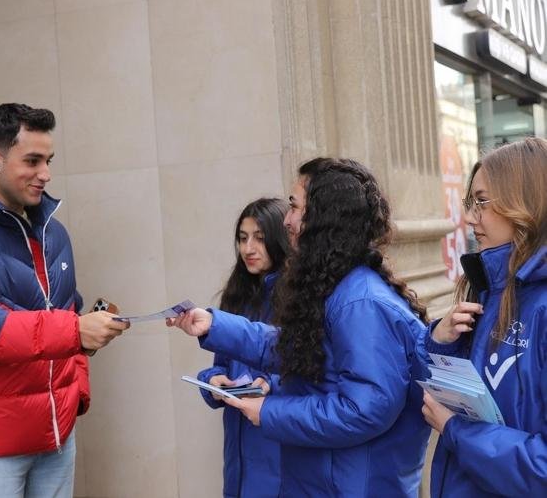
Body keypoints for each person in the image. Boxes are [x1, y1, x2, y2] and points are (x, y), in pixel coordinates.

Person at [170, 158, 431, 496]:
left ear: (323, 217)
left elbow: (364, 410)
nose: (287, 220)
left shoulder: (360, 303)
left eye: (294, 207)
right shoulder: (341, 289)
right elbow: (294, 348)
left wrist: (269, 412)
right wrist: (215, 324)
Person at [0, 103, 129, 497]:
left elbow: (65, 314)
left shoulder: (53, 232)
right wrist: (76, 332)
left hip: (55, 435)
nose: (45, 174)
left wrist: (75, 388)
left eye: (48, 160)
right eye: (32, 161)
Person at [421, 137, 547, 497]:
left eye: (482, 202)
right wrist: (439, 342)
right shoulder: (490, 286)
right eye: (470, 202)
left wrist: (457, 431)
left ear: (524, 203)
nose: (469, 217)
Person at [195, 198, 290, 498]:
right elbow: (221, 364)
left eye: (259, 238)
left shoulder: (298, 299)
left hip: (277, 447)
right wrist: (212, 381)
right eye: (243, 238)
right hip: (238, 449)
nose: (248, 248)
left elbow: (314, 371)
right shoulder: (237, 296)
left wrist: (271, 384)